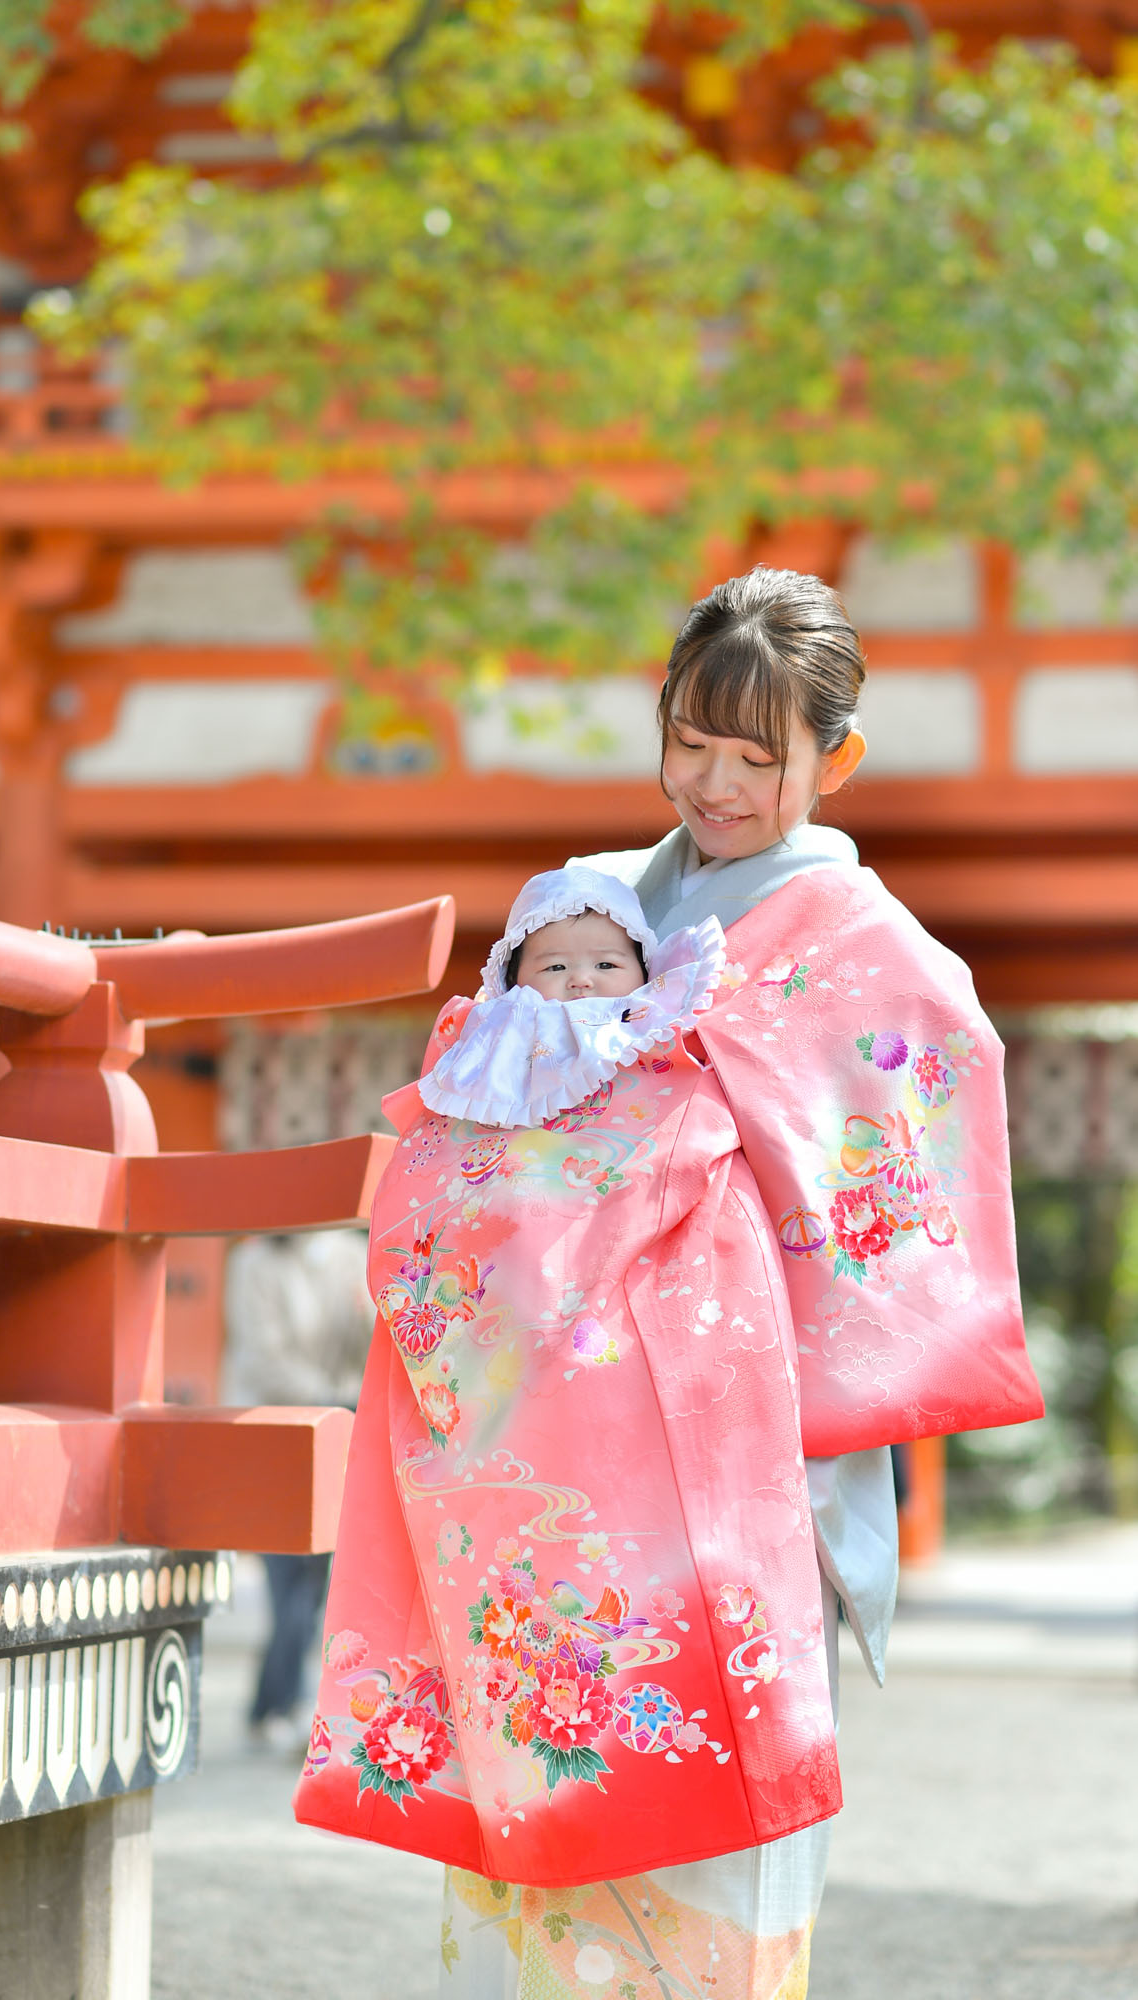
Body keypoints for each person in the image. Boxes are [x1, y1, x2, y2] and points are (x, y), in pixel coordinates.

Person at [295, 566, 1043, 1997]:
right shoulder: (589, 918)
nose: (715, 784)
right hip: (555, 1461)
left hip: (726, 1444)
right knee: (552, 1794)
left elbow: (901, 1158)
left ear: (836, 760)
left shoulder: (866, 950)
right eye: (692, 745)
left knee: (710, 1834)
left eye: (758, 758)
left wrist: (695, 1126)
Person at [222, 1228, 371, 1749]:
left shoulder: (356, 1255)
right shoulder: (255, 1260)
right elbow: (262, 1359)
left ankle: (278, 1705)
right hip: (279, 1435)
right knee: (289, 1578)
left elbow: (379, 1344)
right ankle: (284, 1704)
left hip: (347, 1432)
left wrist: (371, 1313)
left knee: (324, 1580)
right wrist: (334, 1399)